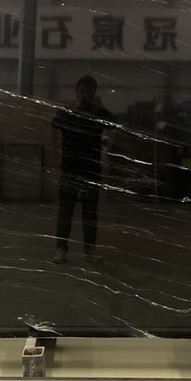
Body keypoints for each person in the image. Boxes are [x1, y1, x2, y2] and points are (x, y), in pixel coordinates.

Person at [51, 75, 116, 264]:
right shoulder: (67, 110)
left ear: (94, 93)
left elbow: (115, 124)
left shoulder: (97, 113)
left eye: (89, 92)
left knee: (90, 213)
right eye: (82, 91)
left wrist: (100, 109)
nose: (86, 95)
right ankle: (61, 249)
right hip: (69, 169)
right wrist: (74, 110)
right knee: (65, 211)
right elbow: (55, 123)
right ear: (76, 92)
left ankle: (90, 250)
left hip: (91, 170)